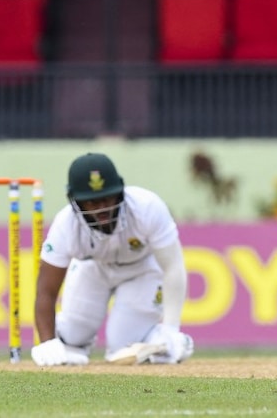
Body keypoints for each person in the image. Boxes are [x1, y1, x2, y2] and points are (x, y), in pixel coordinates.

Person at [32, 152, 194, 366]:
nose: (102, 209)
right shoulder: (65, 225)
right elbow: (46, 290)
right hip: (93, 269)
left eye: (107, 198)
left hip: (141, 270)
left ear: (120, 193)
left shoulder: (147, 207)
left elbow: (173, 267)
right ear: (76, 202)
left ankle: (170, 342)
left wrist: (171, 328)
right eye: (91, 202)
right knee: (71, 335)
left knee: (123, 350)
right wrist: (47, 342)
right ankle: (75, 346)